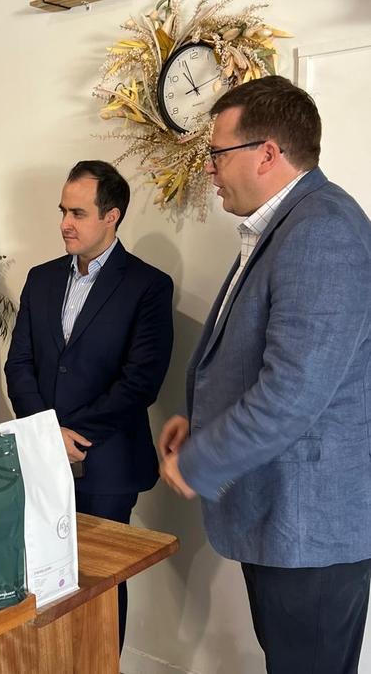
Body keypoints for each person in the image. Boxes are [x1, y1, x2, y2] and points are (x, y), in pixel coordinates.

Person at [158, 76, 371, 674]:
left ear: (268, 153)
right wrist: (196, 421)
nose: (209, 170)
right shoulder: (287, 225)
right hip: (289, 519)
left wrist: (199, 460)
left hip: (311, 528)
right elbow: (251, 353)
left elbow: (291, 393)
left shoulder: (321, 231)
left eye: (217, 153)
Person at [6, 160, 174, 649]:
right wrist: (45, 434)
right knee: (40, 578)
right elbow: (18, 364)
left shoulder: (148, 285)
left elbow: (141, 381)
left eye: (78, 212)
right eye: (63, 210)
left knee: (100, 585)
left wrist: (72, 435)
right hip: (39, 456)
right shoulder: (39, 279)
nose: (65, 223)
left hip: (107, 462)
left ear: (112, 216)